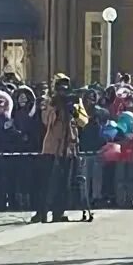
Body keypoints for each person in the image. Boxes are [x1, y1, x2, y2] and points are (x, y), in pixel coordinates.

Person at [31, 74, 87, 224]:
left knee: (65, 184)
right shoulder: (50, 101)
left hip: (69, 148)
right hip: (51, 148)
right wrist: (56, 108)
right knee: (47, 183)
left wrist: (73, 110)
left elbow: (83, 121)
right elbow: (46, 121)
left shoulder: (75, 101)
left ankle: (59, 212)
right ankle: (41, 212)